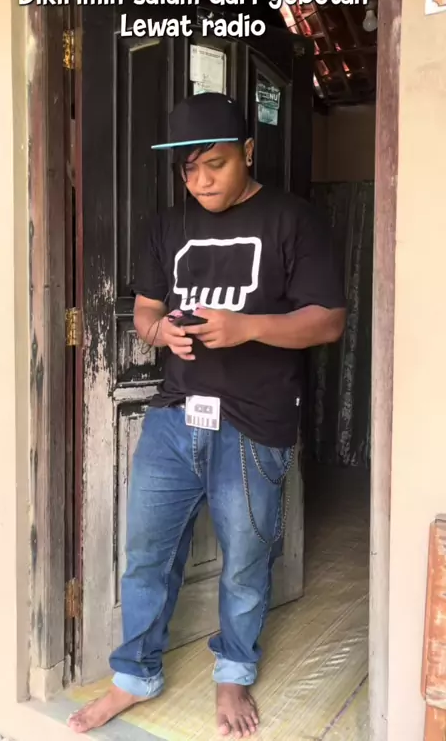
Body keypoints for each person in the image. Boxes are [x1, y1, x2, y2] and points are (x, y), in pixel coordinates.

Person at [68, 92, 346, 738]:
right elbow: (146, 308)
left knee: (246, 560)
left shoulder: (293, 220)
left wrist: (246, 326)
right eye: (189, 169)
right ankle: (133, 675)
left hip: (255, 421)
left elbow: (328, 321)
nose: (201, 181)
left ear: (248, 152)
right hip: (174, 417)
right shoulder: (166, 226)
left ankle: (233, 673)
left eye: (215, 165)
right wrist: (160, 331)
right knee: (146, 554)